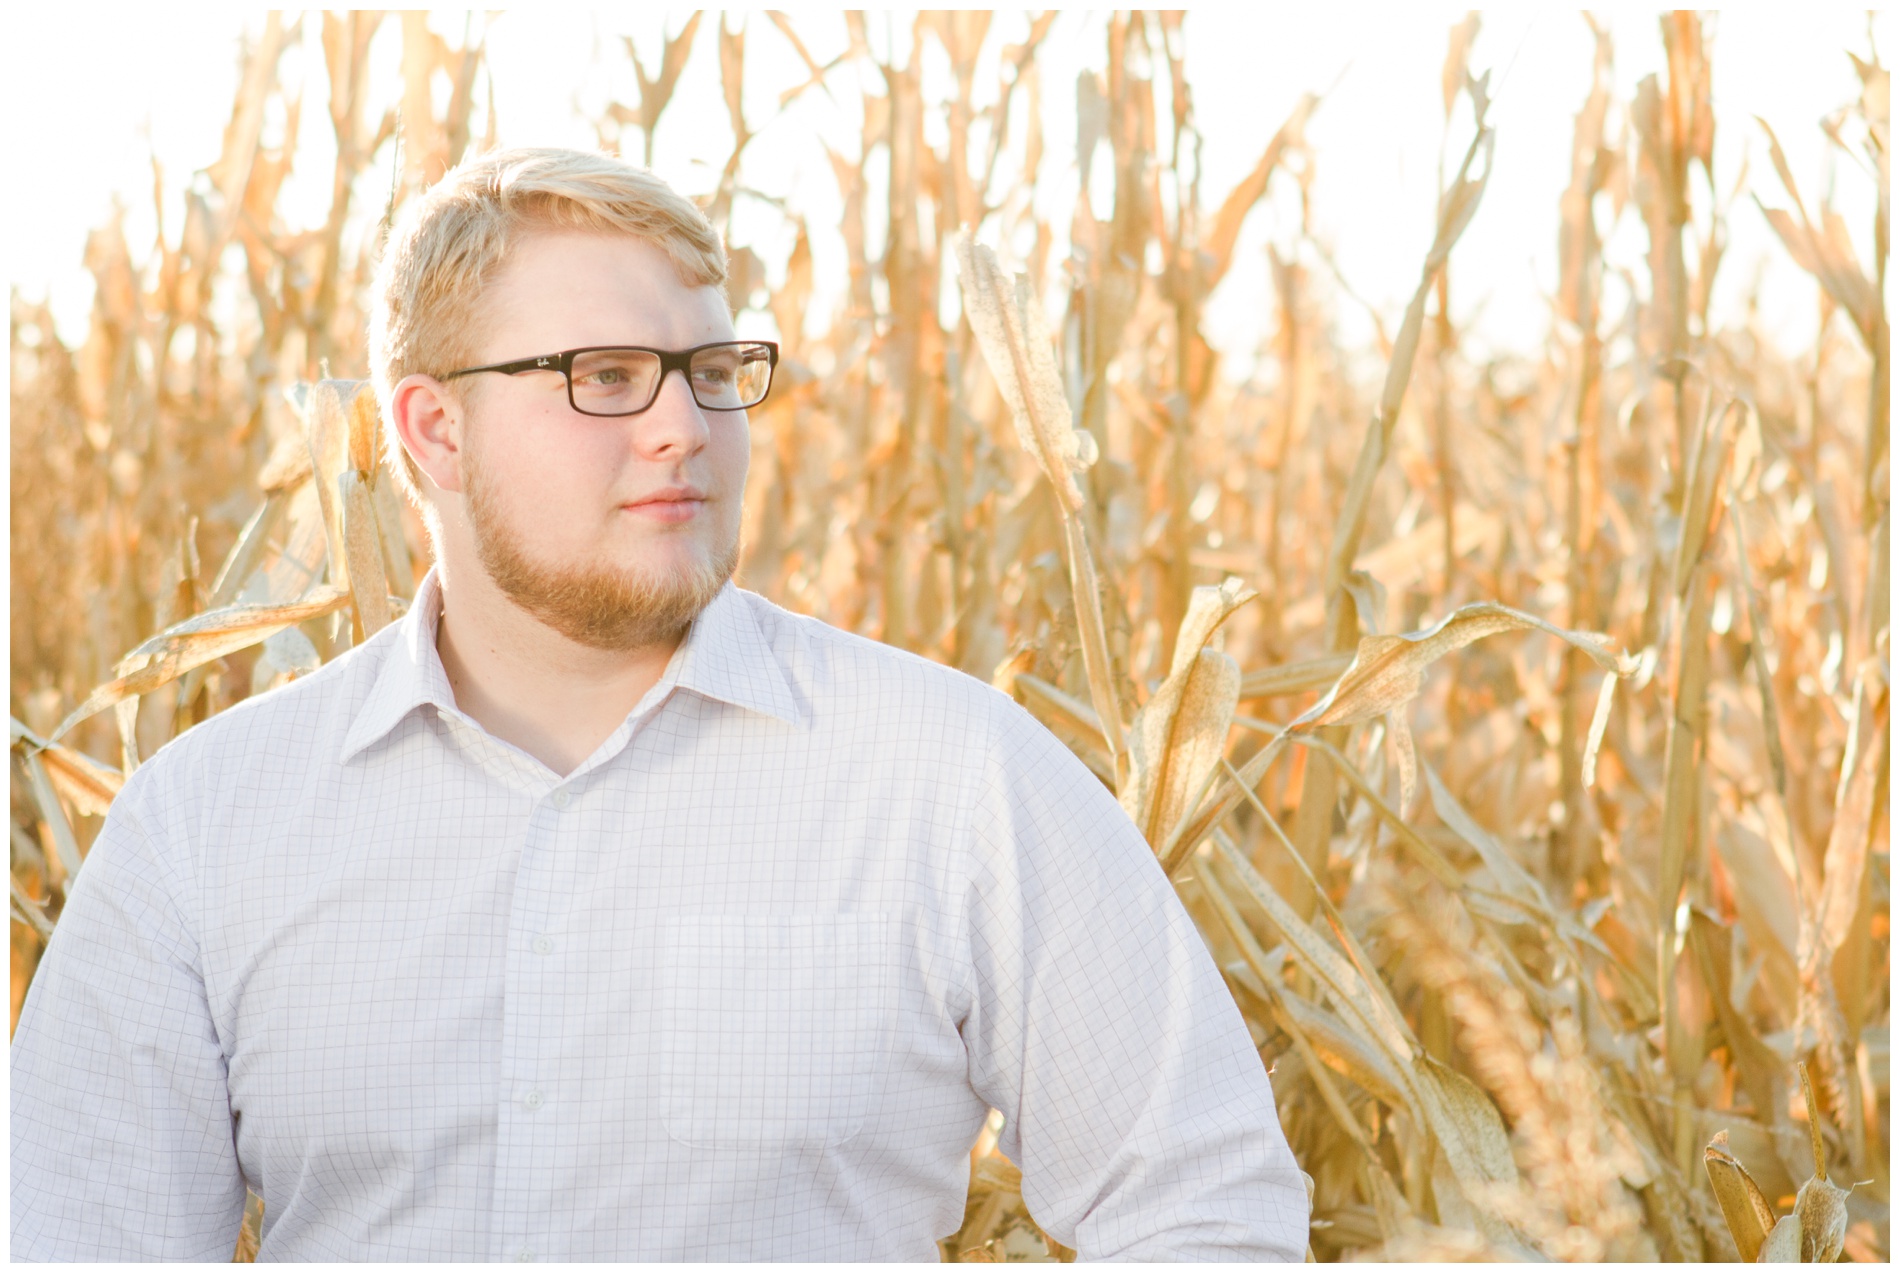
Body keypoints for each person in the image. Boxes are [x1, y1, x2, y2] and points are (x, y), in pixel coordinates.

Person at [10, 147, 1308, 1262]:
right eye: (608, 375)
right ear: (433, 431)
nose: (687, 425)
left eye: (712, 367)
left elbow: (1203, 1206)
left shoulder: (949, 777)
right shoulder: (208, 820)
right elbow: (76, 1241)